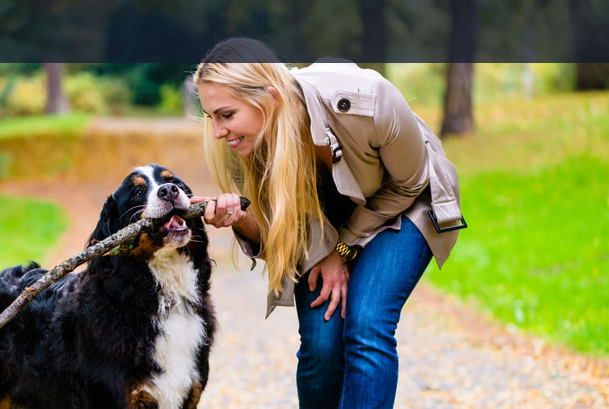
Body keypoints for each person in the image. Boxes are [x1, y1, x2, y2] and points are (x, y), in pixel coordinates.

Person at [188, 38, 465, 409]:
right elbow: (277, 237)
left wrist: (342, 247)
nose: (218, 132)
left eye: (226, 115)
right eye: (211, 117)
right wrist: (240, 219)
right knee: (321, 344)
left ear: (268, 97)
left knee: (366, 323)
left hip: (406, 205)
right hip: (327, 226)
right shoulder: (248, 142)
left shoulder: (369, 99)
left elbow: (409, 183)